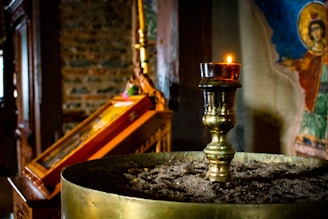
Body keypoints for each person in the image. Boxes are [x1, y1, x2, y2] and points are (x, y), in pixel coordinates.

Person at [283, 13, 328, 157]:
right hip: (315, 95)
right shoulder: (310, 54)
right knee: (313, 122)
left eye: (318, 29)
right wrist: (293, 64)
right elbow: (304, 68)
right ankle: (313, 148)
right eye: (313, 30)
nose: (316, 33)